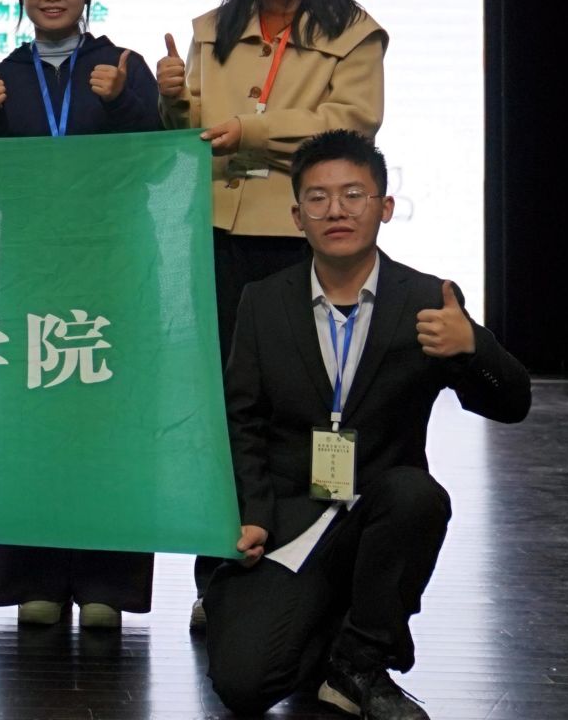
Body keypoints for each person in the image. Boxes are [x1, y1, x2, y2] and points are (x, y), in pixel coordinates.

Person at [202, 130, 530, 719]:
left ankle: (360, 662)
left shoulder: (428, 300)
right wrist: (253, 512)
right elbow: (241, 420)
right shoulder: (263, 302)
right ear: (297, 216)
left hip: (378, 514)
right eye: (319, 198)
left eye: (354, 194)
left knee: (416, 495)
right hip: (289, 523)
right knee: (244, 685)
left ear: (385, 207)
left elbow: (513, 403)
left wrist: (473, 348)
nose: (337, 210)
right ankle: (325, 626)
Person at [157, 0, 388, 625]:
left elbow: (352, 123)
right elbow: (191, 129)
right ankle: (219, 576)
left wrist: (252, 131)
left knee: (306, 410)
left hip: (302, 239)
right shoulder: (211, 30)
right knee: (223, 411)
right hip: (216, 238)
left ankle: (312, 579)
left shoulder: (353, 33)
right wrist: (171, 100)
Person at [0, 0, 160, 628]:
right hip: (32, 271)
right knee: (32, 421)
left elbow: (154, 163)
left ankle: (107, 582)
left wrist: (124, 102)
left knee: (109, 420)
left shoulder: (122, 66)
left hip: (112, 267)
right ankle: (35, 578)